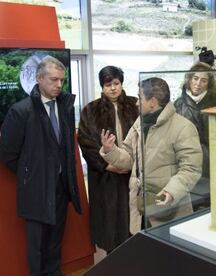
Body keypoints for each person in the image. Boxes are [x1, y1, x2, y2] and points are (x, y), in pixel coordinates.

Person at [0, 56, 82, 275]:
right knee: (36, 246)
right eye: (53, 80)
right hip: (36, 191)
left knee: (55, 241)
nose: (59, 85)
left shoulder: (64, 106)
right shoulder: (21, 111)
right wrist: (32, 176)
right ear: (38, 78)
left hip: (61, 188)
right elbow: (9, 155)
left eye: (62, 81)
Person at [100, 77, 202, 234]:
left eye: (140, 98)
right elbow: (129, 159)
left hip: (169, 210)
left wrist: (171, 191)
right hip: (140, 209)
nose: (136, 103)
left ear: (153, 101)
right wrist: (110, 150)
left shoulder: (183, 127)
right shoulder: (139, 123)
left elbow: (191, 168)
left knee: (168, 257)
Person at [77, 66, 138, 253]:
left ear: (121, 83)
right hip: (105, 176)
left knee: (132, 216)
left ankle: (136, 252)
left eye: (116, 83)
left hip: (132, 172)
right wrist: (106, 165)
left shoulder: (135, 105)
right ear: (102, 86)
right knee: (110, 219)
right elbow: (85, 142)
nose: (113, 88)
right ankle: (113, 258)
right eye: (108, 84)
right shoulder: (90, 109)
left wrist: (133, 164)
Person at [174, 62, 216, 181]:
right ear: (189, 79)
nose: (198, 84)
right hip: (186, 158)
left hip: (213, 157)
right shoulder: (179, 104)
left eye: (203, 80)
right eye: (195, 78)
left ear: (209, 84)